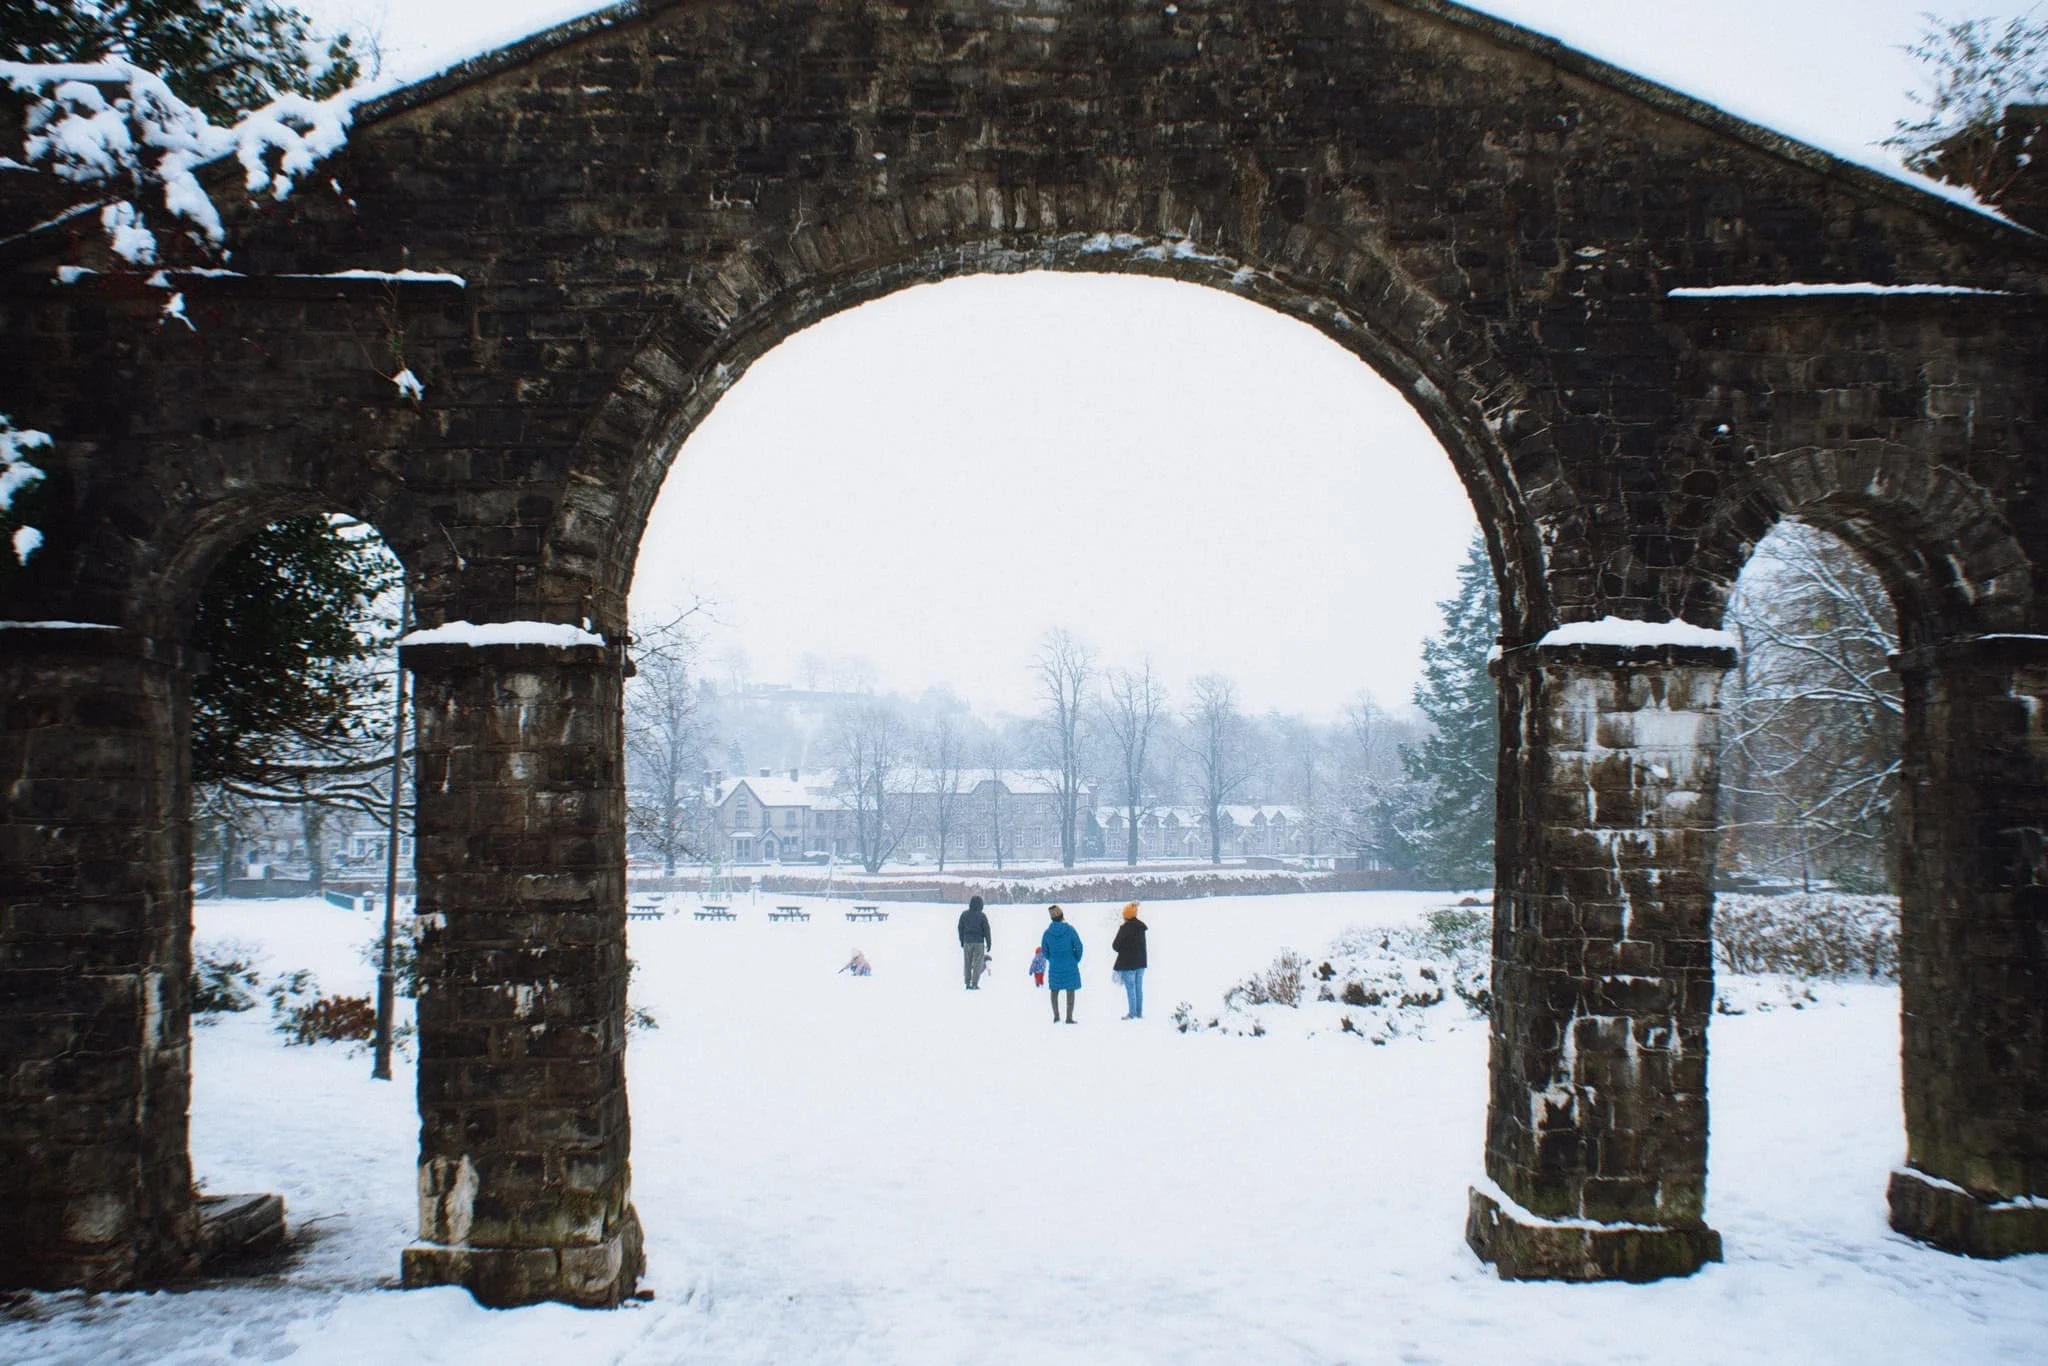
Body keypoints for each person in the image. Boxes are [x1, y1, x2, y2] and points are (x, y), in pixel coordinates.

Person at [1040, 904, 1083, 1023]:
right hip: (1070, 964)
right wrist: (1076, 959)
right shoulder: (1070, 930)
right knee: (1070, 990)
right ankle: (1069, 1017)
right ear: (1062, 915)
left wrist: (1052, 959)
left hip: (1055, 965)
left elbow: (1044, 950)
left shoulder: (1047, 933)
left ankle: (1056, 1016)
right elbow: (1078, 946)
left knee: (1054, 990)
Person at [1111, 901, 1148, 1020]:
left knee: (1131, 989)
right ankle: (1139, 1013)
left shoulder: (1124, 928)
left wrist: (1125, 947)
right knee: (1139, 988)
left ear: (1126, 915)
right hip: (1141, 962)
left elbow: (1115, 946)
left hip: (1128, 964)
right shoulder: (1141, 927)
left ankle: (1132, 1014)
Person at [957, 894, 992, 990]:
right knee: (977, 963)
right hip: (979, 943)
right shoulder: (982, 916)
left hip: (967, 942)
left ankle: (967, 983)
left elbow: (960, 928)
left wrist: (962, 941)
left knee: (967, 963)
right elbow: (986, 930)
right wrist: (989, 943)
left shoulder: (964, 915)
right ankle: (975, 983)